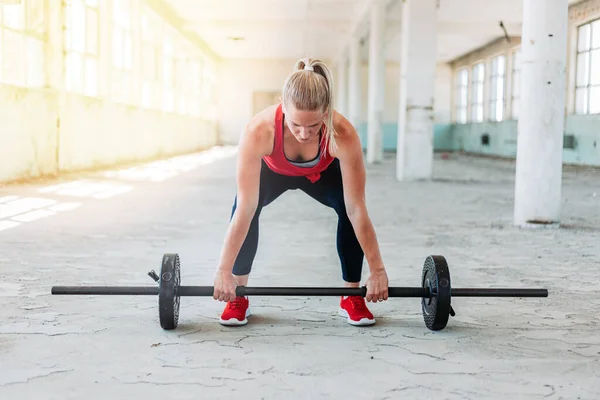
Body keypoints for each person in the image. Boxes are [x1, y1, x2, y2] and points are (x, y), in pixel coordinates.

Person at [213, 57, 389, 327]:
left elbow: (357, 209)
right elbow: (245, 209)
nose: (304, 134)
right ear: (283, 105)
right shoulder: (258, 131)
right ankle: (238, 294)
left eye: (314, 126)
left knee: (346, 208)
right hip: (272, 172)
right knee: (246, 206)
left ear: (326, 113)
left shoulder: (343, 133)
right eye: (295, 125)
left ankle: (351, 295)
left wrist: (377, 270)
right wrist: (223, 270)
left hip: (319, 174)